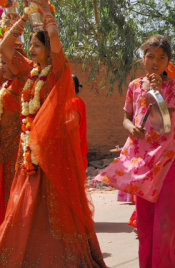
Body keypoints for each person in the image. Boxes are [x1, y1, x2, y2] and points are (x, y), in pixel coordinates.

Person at [0, 1, 106, 267]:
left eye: (37, 46)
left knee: (54, 209)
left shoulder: (57, 71)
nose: (32, 50)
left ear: (49, 49)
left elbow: (55, 39)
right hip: (28, 154)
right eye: (32, 46)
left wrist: (45, 13)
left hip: (52, 156)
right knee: (23, 208)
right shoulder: (29, 73)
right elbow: (4, 48)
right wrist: (23, 18)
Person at [95, 34, 175, 267]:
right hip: (141, 162)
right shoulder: (133, 86)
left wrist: (157, 90)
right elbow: (126, 118)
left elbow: (165, 122)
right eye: (150, 56)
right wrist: (132, 127)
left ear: (167, 62)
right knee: (145, 222)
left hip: (165, 158)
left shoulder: (172, 85)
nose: (155, 61)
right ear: (143, 57)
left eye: (161, 58)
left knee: (165, 220)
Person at [0, 46, 32, 225]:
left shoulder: (21, 82)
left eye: (5, 62)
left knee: (12, 186)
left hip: (15, 146)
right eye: (1, 62)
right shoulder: (5, 84)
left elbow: (5, 45)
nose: (1, 66)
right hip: (3, 145)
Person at [71, 74, 88, 169]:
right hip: (78, 149)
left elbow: (70, 126)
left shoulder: (74, 102)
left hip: (72, 150)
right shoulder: (78, 102)